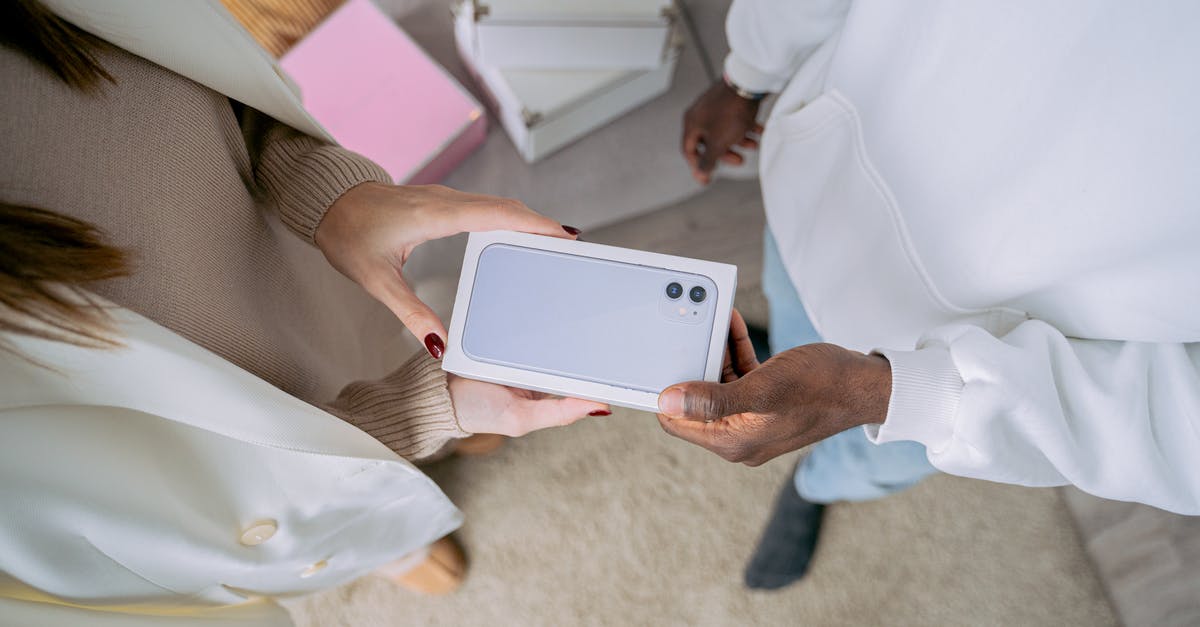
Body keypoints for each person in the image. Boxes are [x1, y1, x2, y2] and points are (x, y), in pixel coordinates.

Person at [0, 0, 608, 622]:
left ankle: (435, 430)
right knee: (327, 501)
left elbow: (220, 93)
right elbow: (173, 509)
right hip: (233, 469)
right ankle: (383, 541)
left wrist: (339, 201)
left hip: (297, 266)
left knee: (381, 340)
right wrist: (415, 423)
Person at [668, 0, 1200, 590]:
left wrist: (890, 395)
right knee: (787, 298)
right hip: (834, 167)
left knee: (871, 458)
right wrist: (746, 75)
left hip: (967, 373)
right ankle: (776, 359)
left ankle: (813, 483)